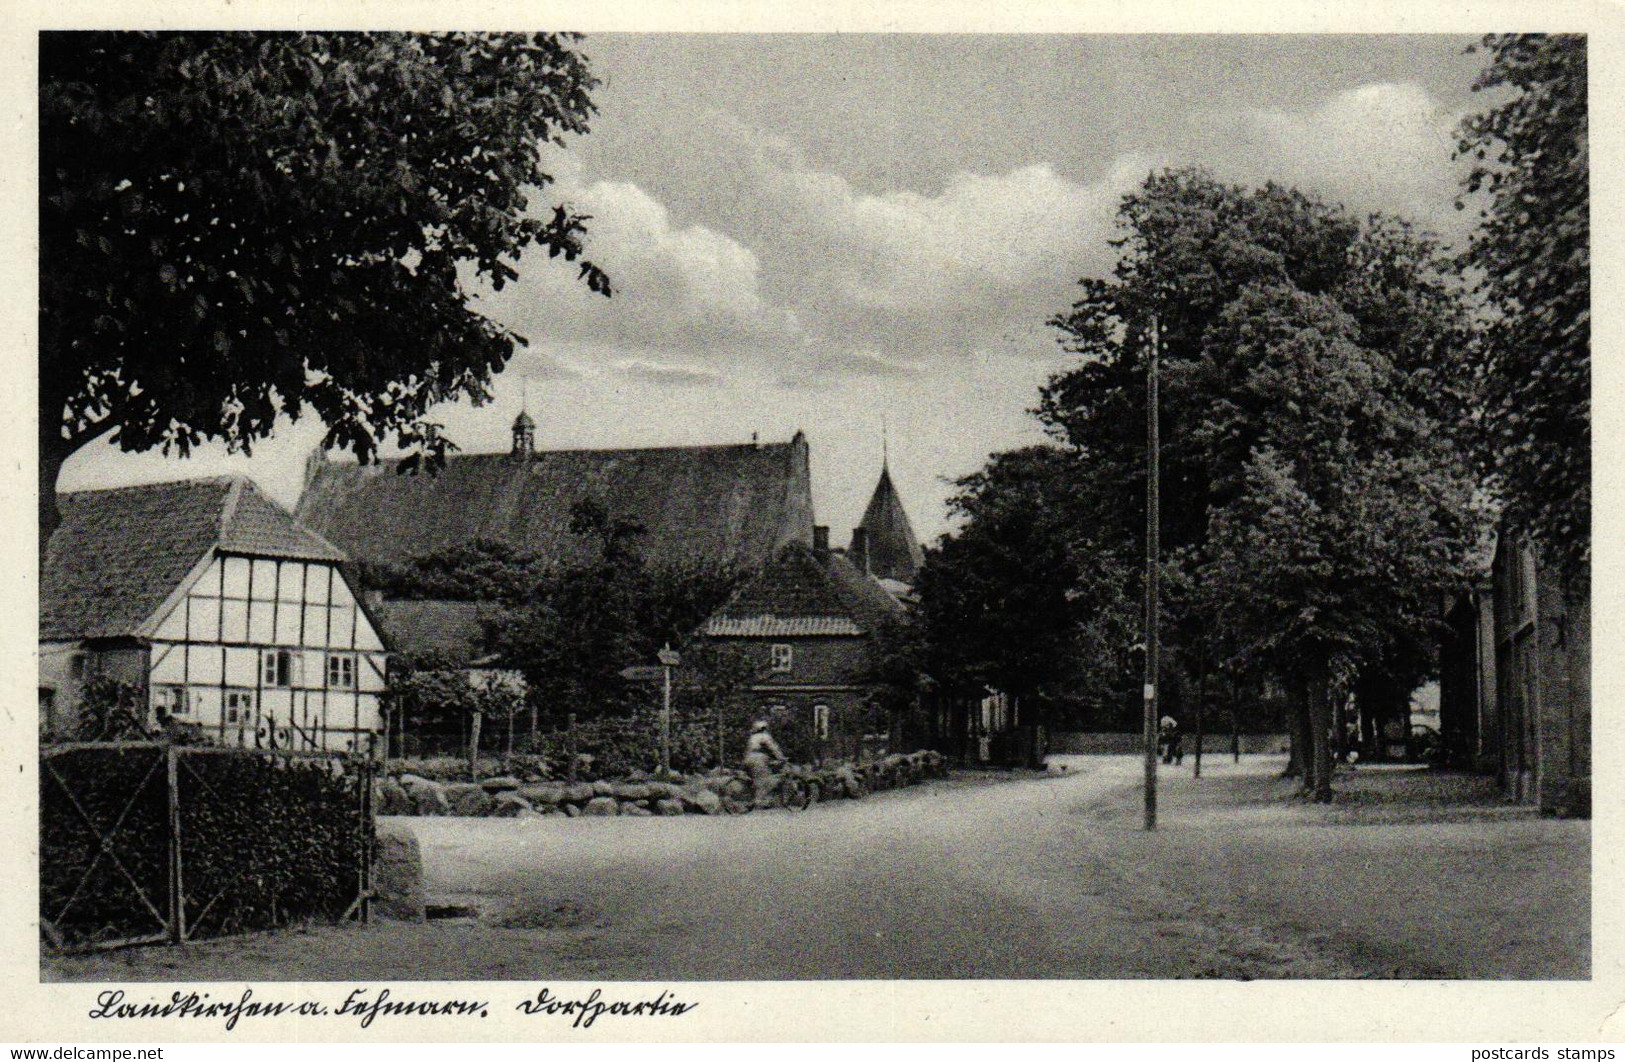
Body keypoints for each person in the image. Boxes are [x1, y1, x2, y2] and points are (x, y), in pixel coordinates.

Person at [744, 718, 786, 808]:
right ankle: (758, 802)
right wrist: (781, 758)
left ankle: (757, 799)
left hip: (749, 758)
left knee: (757, 779)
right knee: (763, 781)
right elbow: (774, 748)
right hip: (758, 759)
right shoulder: (764, 736)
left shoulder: (753, 737)